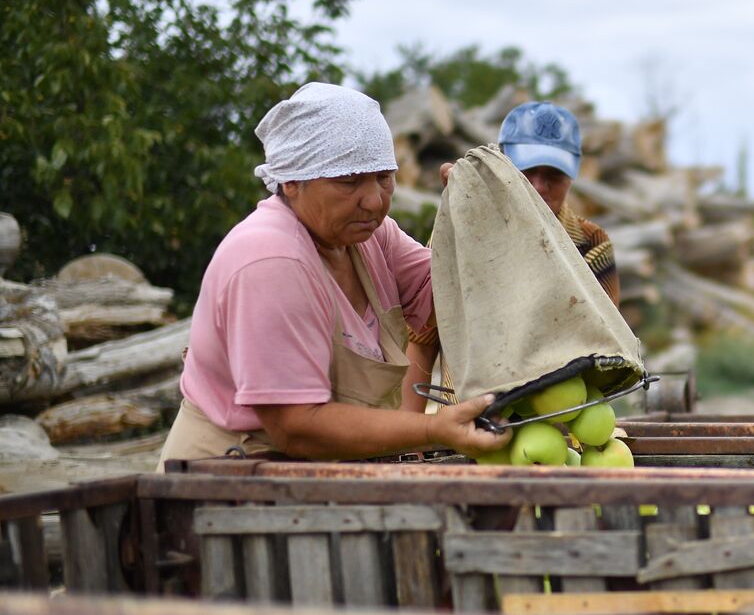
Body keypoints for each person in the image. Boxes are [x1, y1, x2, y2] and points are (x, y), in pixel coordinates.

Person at [159, 83, 510, 464]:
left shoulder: (372, 238)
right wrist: (431, 429)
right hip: (229, 480)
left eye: (383, 178)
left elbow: (451, 297)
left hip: (321, 476)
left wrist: (477, 213)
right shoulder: (270, 262)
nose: (375, 200)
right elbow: (296, 426)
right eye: (349, 182)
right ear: (292, 181)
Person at [497, 101, 620, 306]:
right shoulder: (465, 226)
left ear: (571, 177)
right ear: (500, 163)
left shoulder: (592, 244)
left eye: (554, 175)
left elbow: (604, 334)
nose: (539, 186)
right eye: (526, 170)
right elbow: (426, 331)